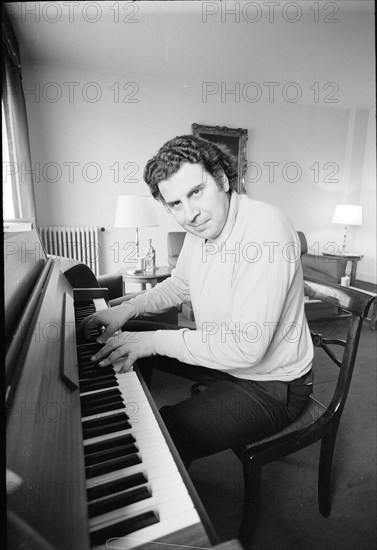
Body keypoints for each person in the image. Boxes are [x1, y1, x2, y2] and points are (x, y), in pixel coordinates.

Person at [79, 135, 313, 466]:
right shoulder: (200, 230)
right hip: (225, 359)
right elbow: (179, 284)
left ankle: (157, 467)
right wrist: (127, 309)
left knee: (158, 435)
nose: (189, 214)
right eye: (175, 204)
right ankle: (127, 404)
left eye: (195, 192)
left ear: (222, 179)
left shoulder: (265, 230)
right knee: (127, 334)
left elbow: (246, 347)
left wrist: (153, 341)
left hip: (273, 384)